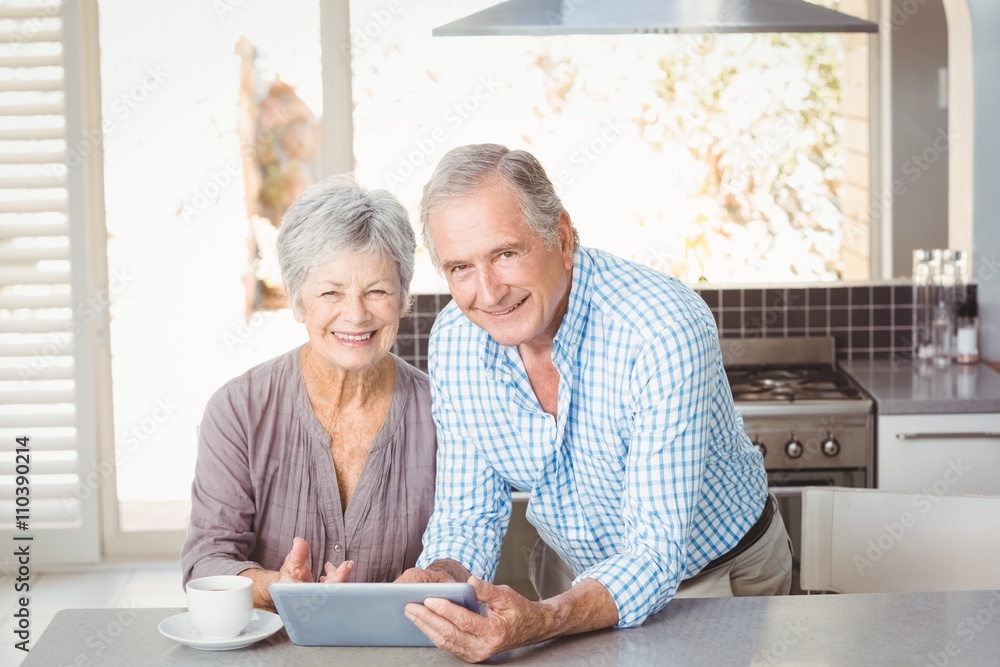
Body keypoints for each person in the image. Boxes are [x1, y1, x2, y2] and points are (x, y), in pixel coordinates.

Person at [398, 144, 792, 662]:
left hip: (712, 579)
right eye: (460, 268)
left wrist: (545, 619)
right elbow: (467, 514)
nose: (488, 293)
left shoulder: (661, 329)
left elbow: (654, 551)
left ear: (561, 239)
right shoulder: (455, 341)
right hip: (572, 578)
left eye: (505, 254)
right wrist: (441, 578)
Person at [181, 176, 437, 611]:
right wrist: (275, 586)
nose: (355, 315)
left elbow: (463, 552)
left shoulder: (443, 412)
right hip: (274, 642)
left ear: (402, 298)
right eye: (331, 292)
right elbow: (205, 563)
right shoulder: (239, 410)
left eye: (377, 291)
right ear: (298, 300)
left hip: (400, 641)